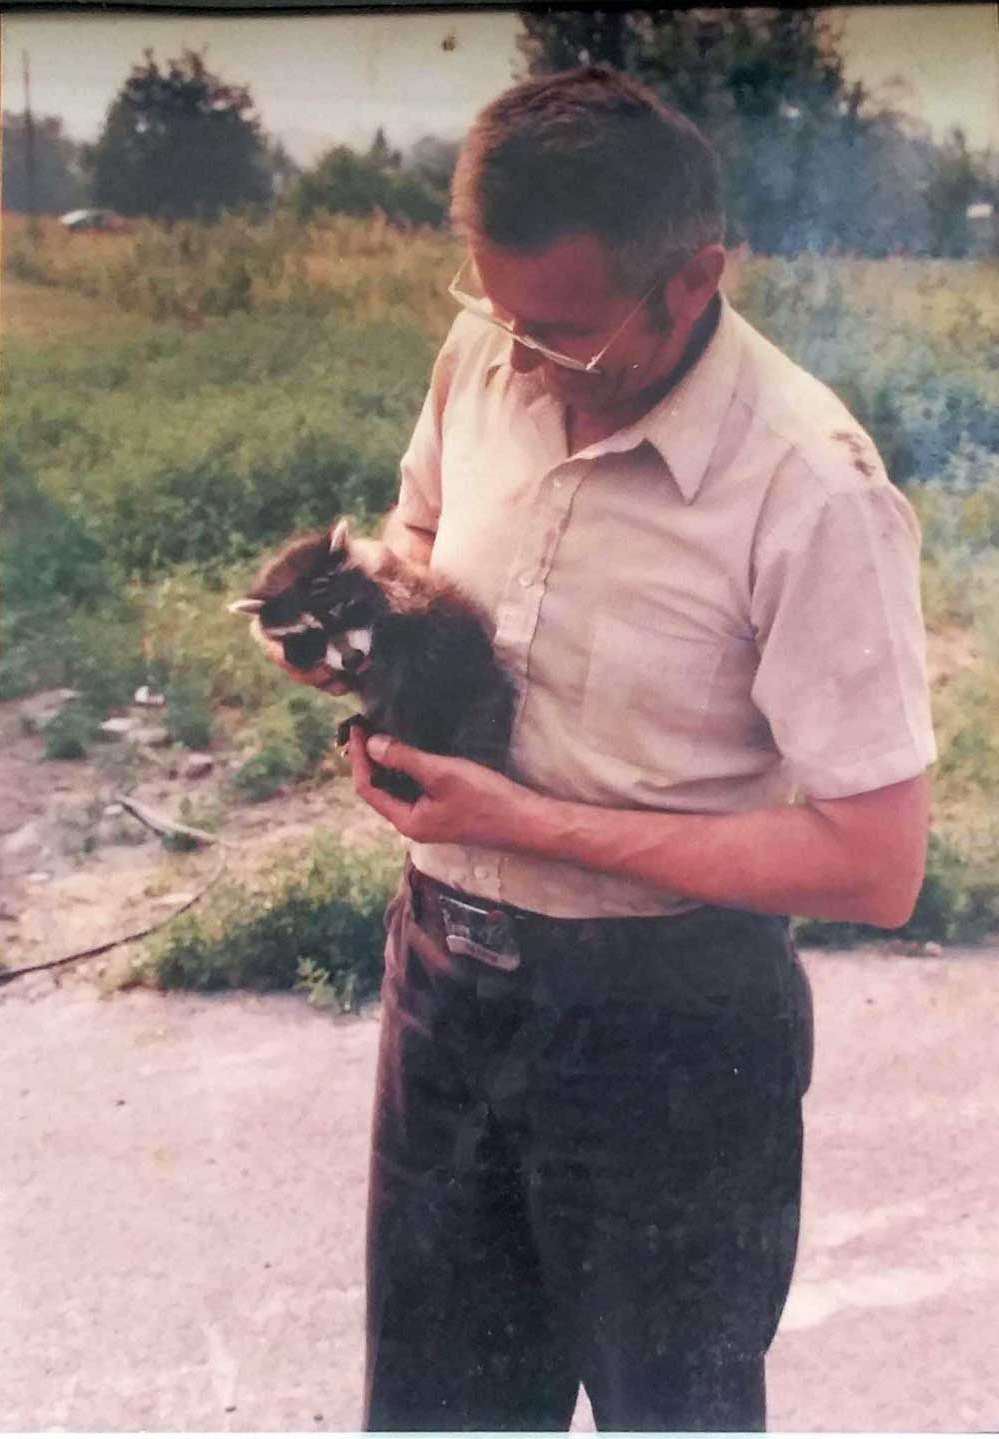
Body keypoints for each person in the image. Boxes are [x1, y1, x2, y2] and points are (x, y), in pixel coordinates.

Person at [264, 66, 936, 1432]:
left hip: (672, 1037)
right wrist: (366, 625)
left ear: (695, 280)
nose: (514, 362)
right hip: (445, 984)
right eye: (492, 313)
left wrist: (532, 821)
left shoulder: (812, 490)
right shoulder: (489, 352)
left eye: (558, 333)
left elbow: (877, 864)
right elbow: (420, 533)